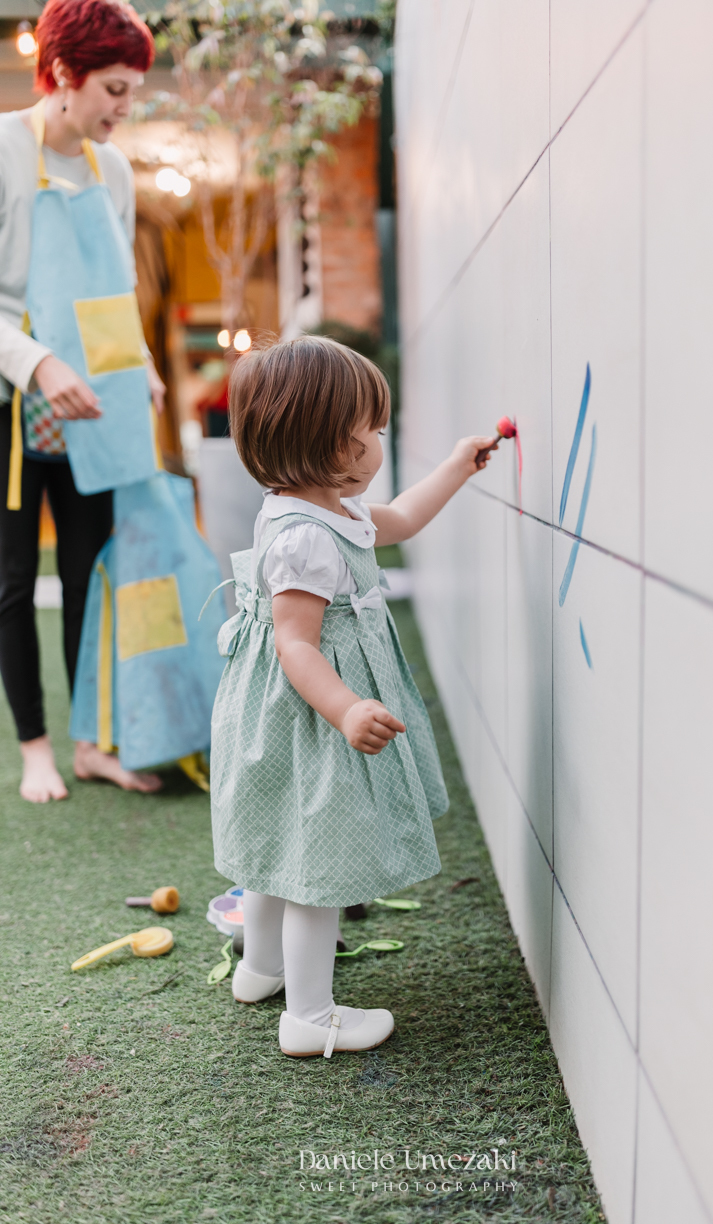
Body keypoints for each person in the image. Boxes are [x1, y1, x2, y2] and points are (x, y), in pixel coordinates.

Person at [210, 336, 497, 1058]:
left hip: (280, 714)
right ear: (331, 442)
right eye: (373, 429)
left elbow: (398, 519)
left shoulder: (314, 508)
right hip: (311, 715)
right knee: (319, 863)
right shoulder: (306, 539)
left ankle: (261, 968)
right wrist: (346, 709)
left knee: (277, 843)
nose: (379, 441)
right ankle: (309, 1017)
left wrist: (456, 467)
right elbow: (296, 644)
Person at [0, 0, 165, 801]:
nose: (124, 108)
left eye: (133, 91)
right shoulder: (2, 151)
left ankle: (91, 743)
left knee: (90, 573)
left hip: (97, 399)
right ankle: (35, 747)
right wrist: (38, 364)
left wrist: (143, 367)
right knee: (11, 581)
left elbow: (116, 293)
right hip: (11, 395)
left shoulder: (114, 171)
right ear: (63, 73)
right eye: (113, 89)